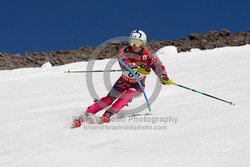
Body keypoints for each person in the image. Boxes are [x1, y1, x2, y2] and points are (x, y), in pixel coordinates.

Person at [72, 30, 174, 127]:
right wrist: (138, 68)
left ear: (143, 43)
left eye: (137, 42)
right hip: (123, 82)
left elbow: (158, 66)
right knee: (108, 99)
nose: (134, 45)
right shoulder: (124, 51)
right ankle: (85, 115)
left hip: (138, 85)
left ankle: (108, 114)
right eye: (132, 42)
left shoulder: (149, 55)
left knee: (129, 93)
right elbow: (123, 62)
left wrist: (163, 76)